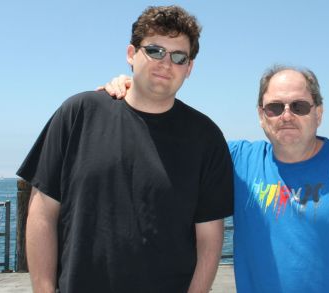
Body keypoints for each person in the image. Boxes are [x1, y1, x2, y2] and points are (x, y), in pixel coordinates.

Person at [102, 65, 329, 292]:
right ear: (261, 115)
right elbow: (172, 137)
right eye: (275, 107)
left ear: (318, 113)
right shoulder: (237, 160)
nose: (286, 115)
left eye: (299, 106)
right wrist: (139, 92)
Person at [18, 6, 233, 293]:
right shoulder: (78, 113)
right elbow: (42, 211)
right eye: (155, 51)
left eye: (179, 57)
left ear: (189, 68)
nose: (166, 63)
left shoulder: (206, 137)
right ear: (131, 54)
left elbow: (209, 238)